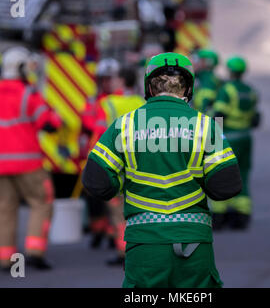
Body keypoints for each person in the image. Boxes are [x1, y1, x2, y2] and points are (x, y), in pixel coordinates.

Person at [82, 52, 242, 287]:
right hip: (193, 241)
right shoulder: (207, 125)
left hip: (144, 243)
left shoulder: (124, 125)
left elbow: (96, 181)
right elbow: (227, 186)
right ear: (188, 88)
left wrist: (122, 185)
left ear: (149, 86)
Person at [0, 46, 62, 270]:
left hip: (0, 165)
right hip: (29, 164)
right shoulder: (28, 94)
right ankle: (34, 251)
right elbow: (49, 124)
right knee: (42, 203)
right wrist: (57, 116)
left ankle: (6, 259)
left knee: (4, 209)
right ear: (20, 68)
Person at [88, 66, 146, 266]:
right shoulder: (142, 103)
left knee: (118, 211)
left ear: (121, 80)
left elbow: (99, 134)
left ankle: (124, 252)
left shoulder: (107, 103)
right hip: (140, 163)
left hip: (117, 163)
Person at [211, 56, 260, 231]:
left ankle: (219, 215)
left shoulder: (227, 90)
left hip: (230, 137)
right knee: (243, 174)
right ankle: (243, 213)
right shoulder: (250, 90)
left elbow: (219, 114)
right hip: (246, 137)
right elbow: (256, 119)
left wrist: (213, 136)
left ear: (230, 71)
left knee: (222, 174)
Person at [82, 58, 122, 250]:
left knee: (114, 198)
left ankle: (111, 235)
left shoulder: (120, 99)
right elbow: (87, 123)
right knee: (95, 197)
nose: (106, 83)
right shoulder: (93, 100)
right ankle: (97, 231)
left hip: (117, 157)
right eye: (103, 79)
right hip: (96, 155)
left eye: (109, 79)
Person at [192, 49, 222, 115]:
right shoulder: (212, 78)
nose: (195, 63)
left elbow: (203, 103)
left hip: (202, 119)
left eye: (199, 60)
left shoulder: (206, 79)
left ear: (208, 63)